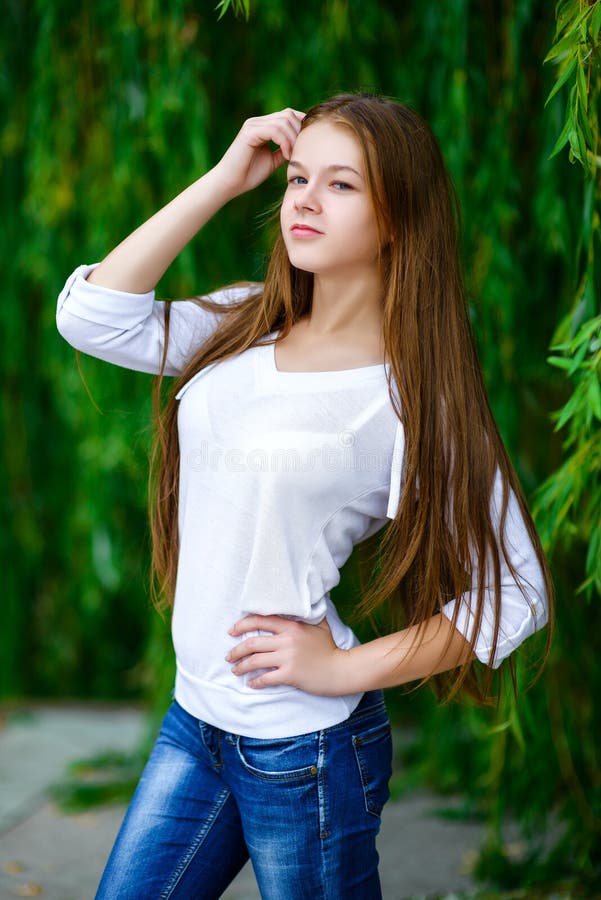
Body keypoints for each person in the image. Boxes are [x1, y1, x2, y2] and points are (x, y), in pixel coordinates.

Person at [56, 92, 553, 899]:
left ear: (397, 219)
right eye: (295, 180)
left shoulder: (406, 399)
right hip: (196, 721)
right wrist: (223, 179)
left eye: (342, 185)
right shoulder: (240, 323)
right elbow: (91, 317)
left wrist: (343, 667)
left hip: (305, 753)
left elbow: (515, 591)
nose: (305, 201)